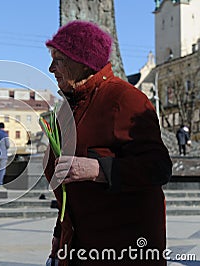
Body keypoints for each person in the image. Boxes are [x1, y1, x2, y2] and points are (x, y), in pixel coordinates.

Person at [44, 21, 172, 266]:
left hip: (124, 249)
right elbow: (68, 191)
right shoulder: (68, 109)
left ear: (83, 62)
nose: (51, 68)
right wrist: (59, 239)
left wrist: (99, 170)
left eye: (58, 59)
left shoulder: (124, 98)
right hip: (80, 249)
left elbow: (158, 167)